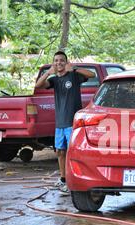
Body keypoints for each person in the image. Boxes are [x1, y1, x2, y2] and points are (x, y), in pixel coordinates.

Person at [35, 51, 95, 195]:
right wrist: (48, 72)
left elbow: (91, 75)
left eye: (62, 60)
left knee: (72, 153)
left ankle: (73, 180)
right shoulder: (54, 80)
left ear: (66, 62)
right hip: (60, 123)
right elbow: (38, 85)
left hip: (72, 122)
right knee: (60, 152)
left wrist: (73, 68)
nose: (59, 63)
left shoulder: (74, 76)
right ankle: (63, 179)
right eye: (56, 61)